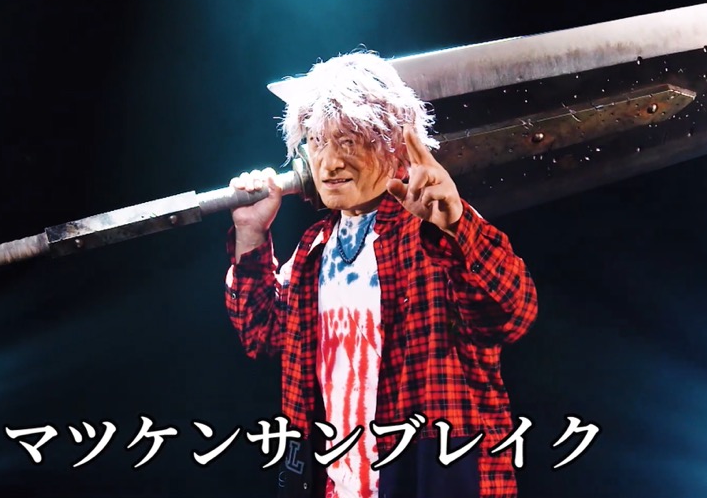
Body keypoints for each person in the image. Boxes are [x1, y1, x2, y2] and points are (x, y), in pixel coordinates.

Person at [224, 51, 538, 498]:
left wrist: (457, 227)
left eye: (349, 141)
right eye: (318, 142)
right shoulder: (314, 248)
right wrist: (251, 234)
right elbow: (262, 336)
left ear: (396, 144)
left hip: (430, 480)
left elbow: (513, 315)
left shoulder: (435, 230)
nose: (330, 163)